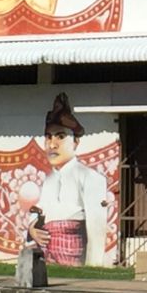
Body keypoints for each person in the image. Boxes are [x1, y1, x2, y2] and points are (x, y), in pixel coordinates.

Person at [26, 93, 109, 267]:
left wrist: (93, 267)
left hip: (73, 251)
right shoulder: (48, 180)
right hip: (48, 250)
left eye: (60, 136)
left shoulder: (90, 177)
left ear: (76, 142)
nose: (52, 144)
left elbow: (96, 230)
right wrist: (32, 228)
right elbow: (38, 210)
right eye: (48, 137)